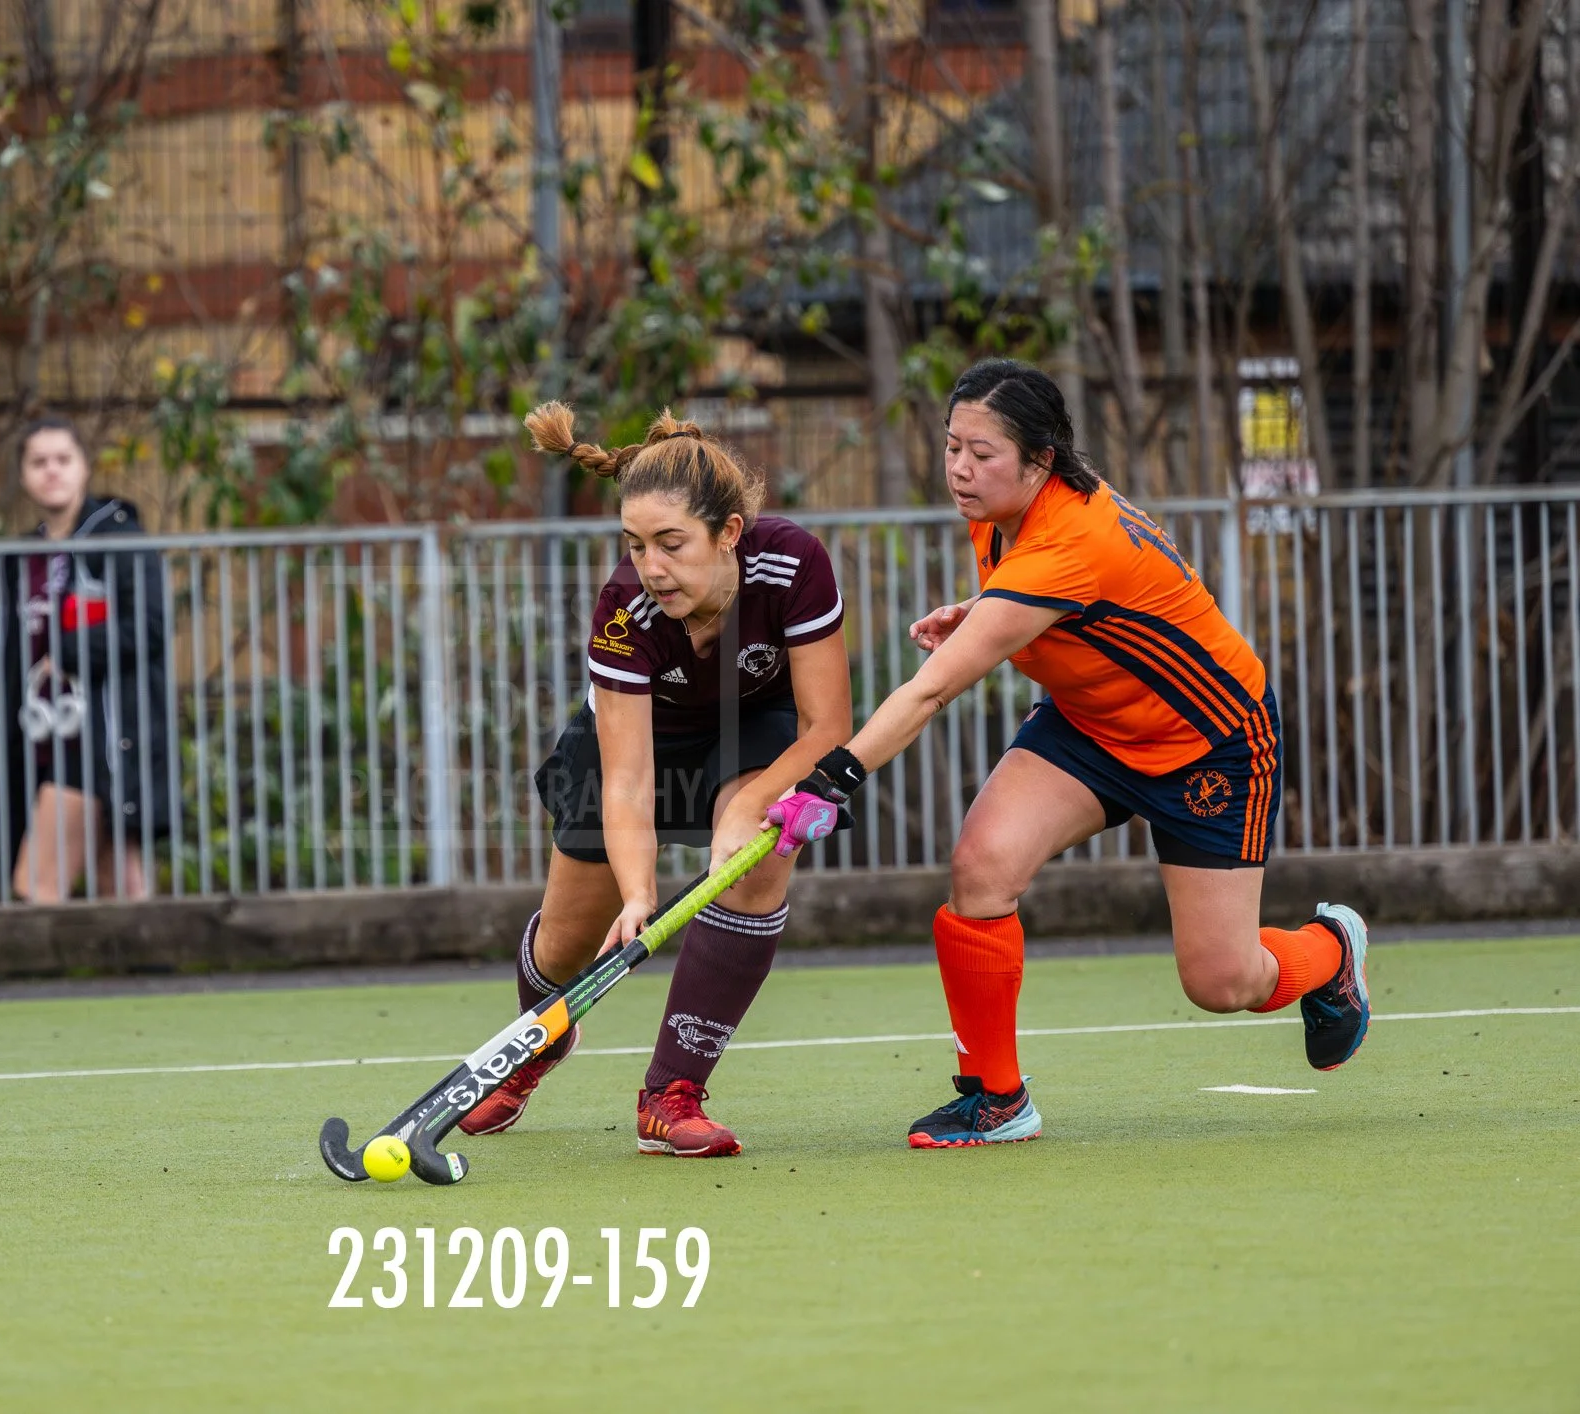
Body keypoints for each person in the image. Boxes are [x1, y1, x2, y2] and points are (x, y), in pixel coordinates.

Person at [755, 359, 1371, 1148]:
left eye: (982, 453)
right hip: (1087, 725)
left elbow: (932, 690)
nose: (959, 469)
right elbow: (1078, 598)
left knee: (1221, 982)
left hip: (1208, 743)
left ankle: (1329, 952)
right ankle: (995, 1098)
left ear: (1041, 460)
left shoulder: (1071, 539)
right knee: (981, 866)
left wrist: (829, 780)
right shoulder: (1001, 512)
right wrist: (983, 611)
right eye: (951, 446)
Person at [458, 403, 855, 1157]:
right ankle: (538, 1042)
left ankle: (671, 1094)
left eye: (671, 544)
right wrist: (639, 891)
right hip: (640, 737)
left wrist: (748, 807)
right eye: (635, 545)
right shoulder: (625, 609)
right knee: (566, 943)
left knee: (761, 856)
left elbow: (827, 726)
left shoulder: (792, 562)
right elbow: (628, 779)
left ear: (728, 532)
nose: (652, 567)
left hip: (754, 721)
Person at [0, 417, 171, 903]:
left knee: (36, 886)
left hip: (99, 740)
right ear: (23, 476)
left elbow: (148, 626)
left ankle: (44, 962)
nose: (52, 471)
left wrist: (68, 652)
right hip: (38, 733)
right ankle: (152, 955)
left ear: (85, 467)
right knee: (119, 882)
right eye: (38, 462)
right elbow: (9, 654)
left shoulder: (119, 539)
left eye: (63, 459)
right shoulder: (20, 557)